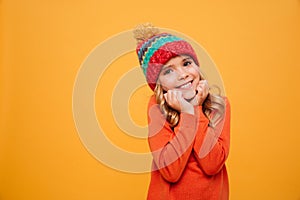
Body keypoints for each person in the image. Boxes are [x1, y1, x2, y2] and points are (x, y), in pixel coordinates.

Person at [133, 23, 231, 200]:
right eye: (168, 71)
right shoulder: (157, 108)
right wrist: (188, 113)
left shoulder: (219, 105)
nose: (183, 74)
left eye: (186, 63)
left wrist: (196, 108)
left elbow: (212, 165)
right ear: (159, 85)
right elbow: (171, 172)